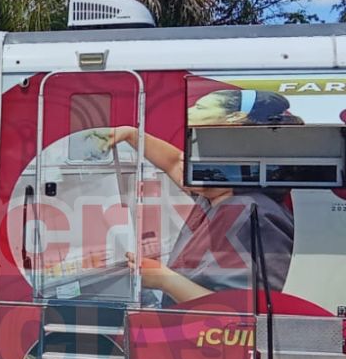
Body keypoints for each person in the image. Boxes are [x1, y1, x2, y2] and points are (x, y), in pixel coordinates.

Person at [106, 126, 294, 306]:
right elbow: (172, 161)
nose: (184, 163)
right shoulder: (216, 194)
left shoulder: (252, 215)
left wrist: (164, 280)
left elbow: (239, 311)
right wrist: (130, 134)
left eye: (196, 159)